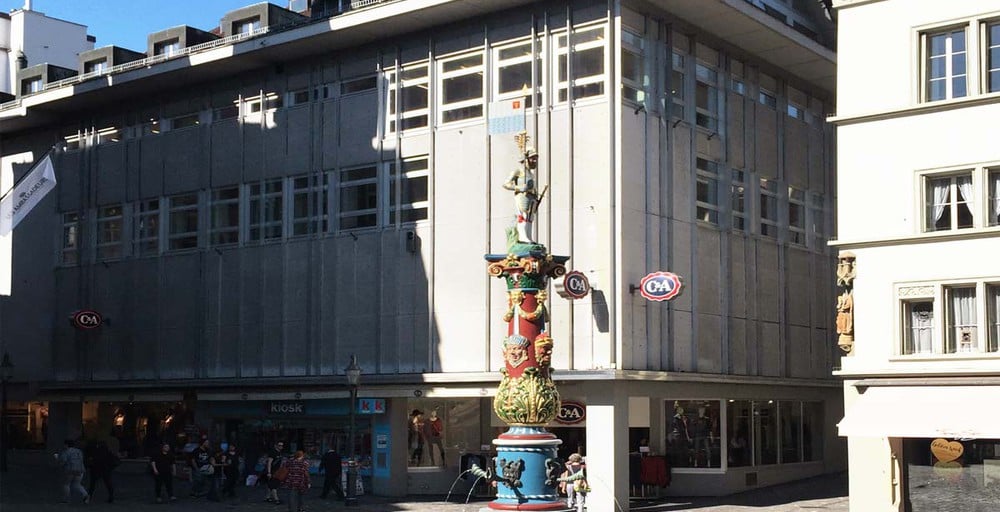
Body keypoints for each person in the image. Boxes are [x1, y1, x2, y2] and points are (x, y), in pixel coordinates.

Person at [502, 147, 539, 244]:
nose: (535, 161)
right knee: (523, 215)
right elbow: (506, 184)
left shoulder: (530, 173)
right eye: (532, 158)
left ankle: (528, 236)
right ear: (526, 159)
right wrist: (518, 188)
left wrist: (536, 195)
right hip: (522, 196)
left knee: (530, 218)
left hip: (531, 197)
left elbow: (532, 186)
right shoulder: (518, 171)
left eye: (536, 158)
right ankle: (523, 237)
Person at [59, 439, 90, 504]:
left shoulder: (66, 451)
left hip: (70, 469)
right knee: (77, 484)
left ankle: (66, 499)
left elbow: (63, 461)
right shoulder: (79, 451)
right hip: (80, 469)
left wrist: (59, 461)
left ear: (66, 445)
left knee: (66, 484)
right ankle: (85, 495)